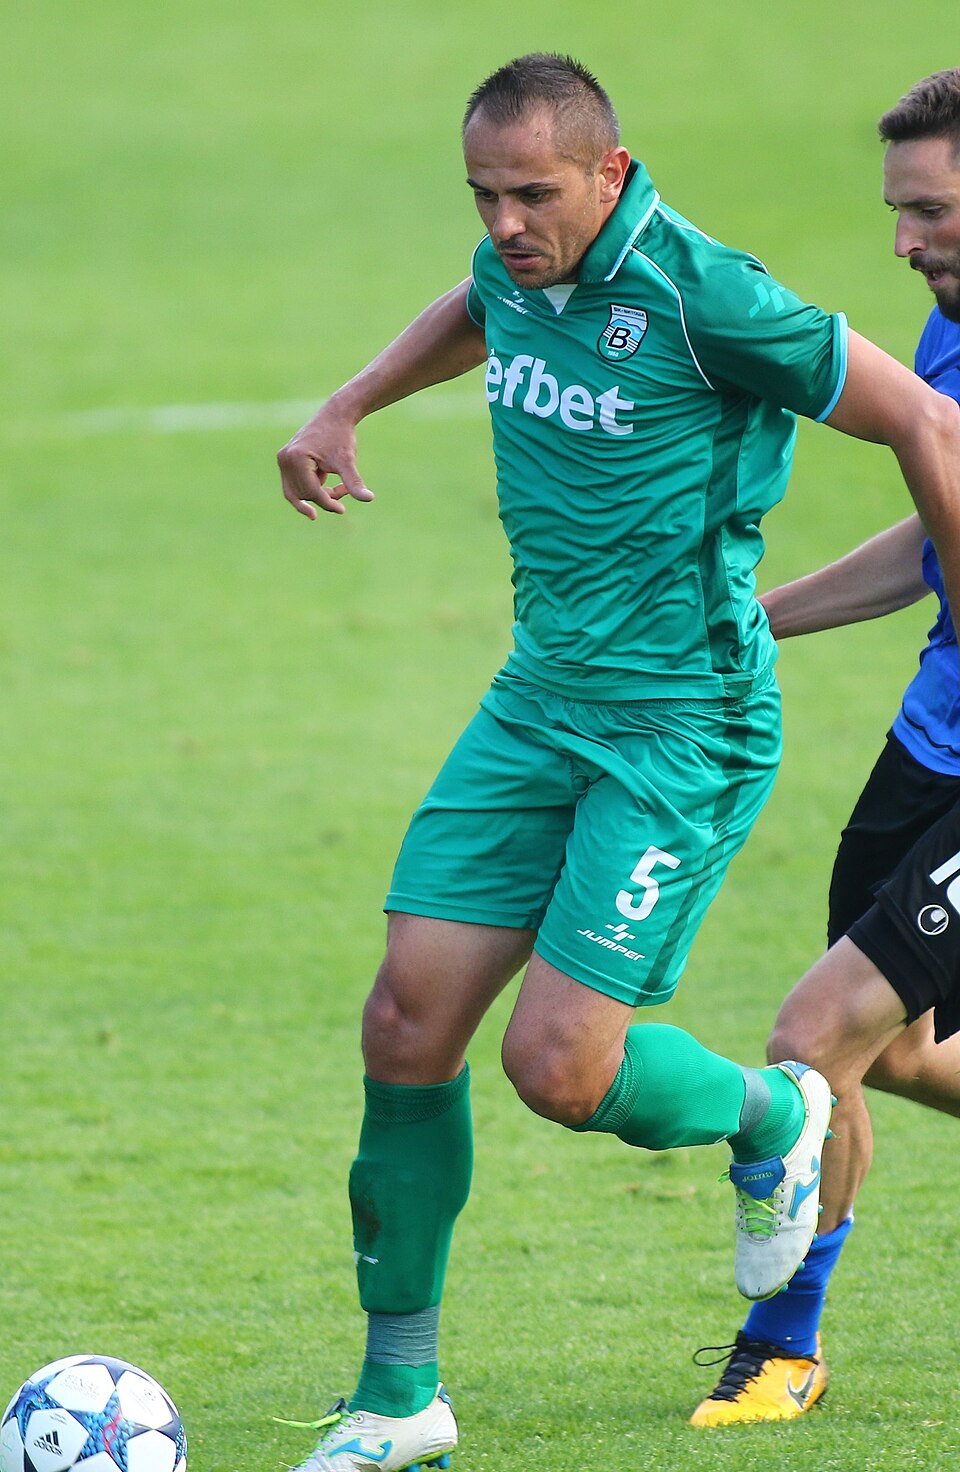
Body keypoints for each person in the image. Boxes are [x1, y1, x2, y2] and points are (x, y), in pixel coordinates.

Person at [276, 55, 960, 1471]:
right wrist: (351, 401)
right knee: (405, 1026)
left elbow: (923, 420)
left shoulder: (711, 297)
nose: (506, 221)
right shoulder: (519, 262)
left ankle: (775, 1115)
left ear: (612, 173)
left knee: (560, 1068)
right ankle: (399, 1402)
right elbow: (483, 302)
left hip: (679, 728)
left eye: (534, 193)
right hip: (536, 706)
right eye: (485, 193)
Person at [690, 67, 960, 1429]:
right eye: (899, 212)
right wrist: (751, 620)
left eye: (934, 212)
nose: (905, 242)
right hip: (934, 742)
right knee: (891, 1051)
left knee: (812, 1037)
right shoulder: (949, 335)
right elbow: (933, 542)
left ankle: (781, 1348)